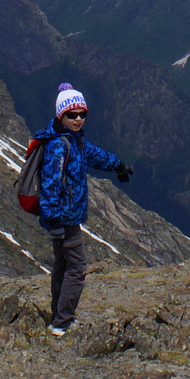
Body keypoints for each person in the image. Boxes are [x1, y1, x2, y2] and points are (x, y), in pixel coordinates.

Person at [34, 82, 134, 336]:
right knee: (77, 268)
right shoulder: (60, 146)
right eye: (72, 115)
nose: (78, 119)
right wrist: (54, 221)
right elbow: (50, 185)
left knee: (62, 265)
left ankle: (58, 316)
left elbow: (96, 155)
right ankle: (63, 322)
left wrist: (118, 165)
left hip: (64, 218)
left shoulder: (74, 140)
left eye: (82, 114)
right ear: (61, 115)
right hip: (65, 219)